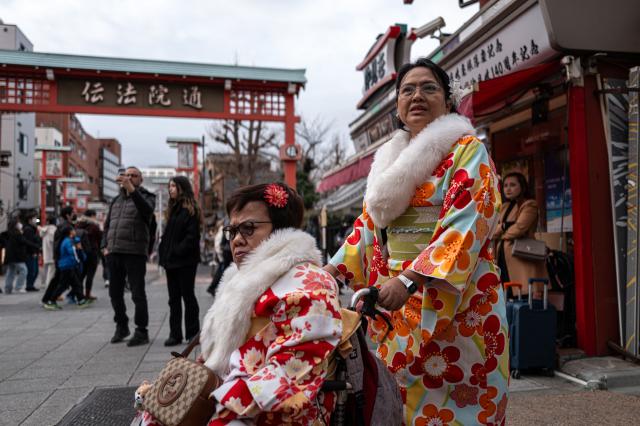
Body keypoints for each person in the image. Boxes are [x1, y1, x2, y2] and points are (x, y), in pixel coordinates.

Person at [325, 58, 508, 425]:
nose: (417, 96)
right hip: (396, 302)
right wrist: (328, 272)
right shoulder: (387, 163)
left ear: (448, 100)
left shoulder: (467, 150)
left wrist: (411, 279)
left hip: (458, 299)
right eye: (407, 90)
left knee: (462, 403)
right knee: (397, 402)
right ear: (397, 106)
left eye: (429, 88)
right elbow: (367, 228)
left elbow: (466, 223)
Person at [133, 183, 342, 425]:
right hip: (228, 402)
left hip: (269, 414)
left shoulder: (311, 283)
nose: (236, 240)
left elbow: (289, 376)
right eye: (232, 231)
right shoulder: (238, 282)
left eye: (248, 228)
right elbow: (210, 363)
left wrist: (209, 409)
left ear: (281, 231)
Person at [102, 166, 156, 346]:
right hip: (114, 251)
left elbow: (147, 211)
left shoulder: (148, 197)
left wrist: (132, 190)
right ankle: (121, 325)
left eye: (134, 176)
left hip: (135, 252)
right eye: (127, 175)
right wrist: (104, 245)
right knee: (114, 293)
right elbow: (108, 224)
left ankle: (142, 331)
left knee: (137, 293)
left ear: (140, 179)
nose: (130, 178)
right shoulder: (116, 200)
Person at [158, 176, 201, 346]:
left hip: (186, 261)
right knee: (173, 299)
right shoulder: (173, 209)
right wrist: (164, 251)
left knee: (188, 296)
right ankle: (175, 334)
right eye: (169, 186)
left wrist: (177, 251)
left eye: (174, 186)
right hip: (171, 262)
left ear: (182, 188)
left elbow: (192, 237)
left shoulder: (190, 209)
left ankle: (192, 333)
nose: (171, 189)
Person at [494, 172, 548, 297]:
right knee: (508, 298)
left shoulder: (529, 205)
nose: (508, 188)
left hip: (522, 257)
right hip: (503, 257)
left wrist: (501, 231)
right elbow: (494, 229)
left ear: (522, 187)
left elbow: (518, 229)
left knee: (524, 297)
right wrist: (503, 227)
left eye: (512, 185)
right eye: (505, 185)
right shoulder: (504, 206)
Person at [49, 227, 91, 309]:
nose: (75, 231)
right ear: (70, 232)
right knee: (63, 285)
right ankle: (51, 300)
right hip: (67, 266)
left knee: (76, 284)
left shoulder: (70, 240)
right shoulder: (68, 242)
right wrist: (78, 259)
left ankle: (81, 300)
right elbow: (72, 253)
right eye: (73, 230)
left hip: (69, 265)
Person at [42, 206, 75, 306]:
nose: (74, 214)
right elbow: (61, 243)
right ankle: (51, 299)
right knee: (61, 280)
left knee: (57, 279)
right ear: (68, 215)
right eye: (73, 212)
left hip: (59, 257)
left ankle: (47, 298)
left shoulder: (62, 225)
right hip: (63, 258)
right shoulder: (65, 227)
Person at [3, 218, 39, 294]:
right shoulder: (17, 234)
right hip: (17, 257)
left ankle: (8, 288)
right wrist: (36, 246)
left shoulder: (8, 233)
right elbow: (25, 242)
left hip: (9, 256)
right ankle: (18, 287)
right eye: (18, 223)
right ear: (15, 225)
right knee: (24, 270)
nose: (20, 225)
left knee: (10, 272)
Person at [76, 209, 102, 300]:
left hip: (81, 251)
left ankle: (78, 293)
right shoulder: (94, 226)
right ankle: (87, 294)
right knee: (90, 274)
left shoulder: (78, 225)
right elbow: (100, 238)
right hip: (92, 252)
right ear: (92, 216)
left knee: (82, 273)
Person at [206, 219, 232, 297]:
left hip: (225, 251)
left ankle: (213, 287)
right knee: (224, 271)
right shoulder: (226, 225)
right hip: (227, 252)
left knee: (223, 270)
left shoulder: (225, 226)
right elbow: (221, 242)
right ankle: (213, 287)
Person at [22, 213, 42, 291]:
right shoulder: (28, 229)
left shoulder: (32, 228)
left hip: (33, 252)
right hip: (30, 253)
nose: (36, 220)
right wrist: (34, 251)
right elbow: (29, 242)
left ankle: (30, 285)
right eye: (34, 218)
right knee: (32, 270)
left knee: (34, 270)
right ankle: (29, 285)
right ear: (29, 220)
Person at [39, 215, 57, 291]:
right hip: (53, 254)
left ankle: (46, 284)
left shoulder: (44, 230)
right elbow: (54, 242)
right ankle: (50, 288)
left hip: (46, 253)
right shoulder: (54, 230)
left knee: (46, 271)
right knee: (51, 273)